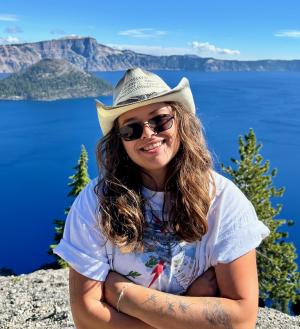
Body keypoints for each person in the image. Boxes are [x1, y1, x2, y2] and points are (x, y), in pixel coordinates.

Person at [54, 68, 270, 329]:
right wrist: (192, 305)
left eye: (159, 121)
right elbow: (87, 316)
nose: (147, 133)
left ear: (179, 122)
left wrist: (123, 294)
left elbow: (241, 319)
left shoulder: (224, 200)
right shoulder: (94, 203)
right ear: (119, 141)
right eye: (131, 129)